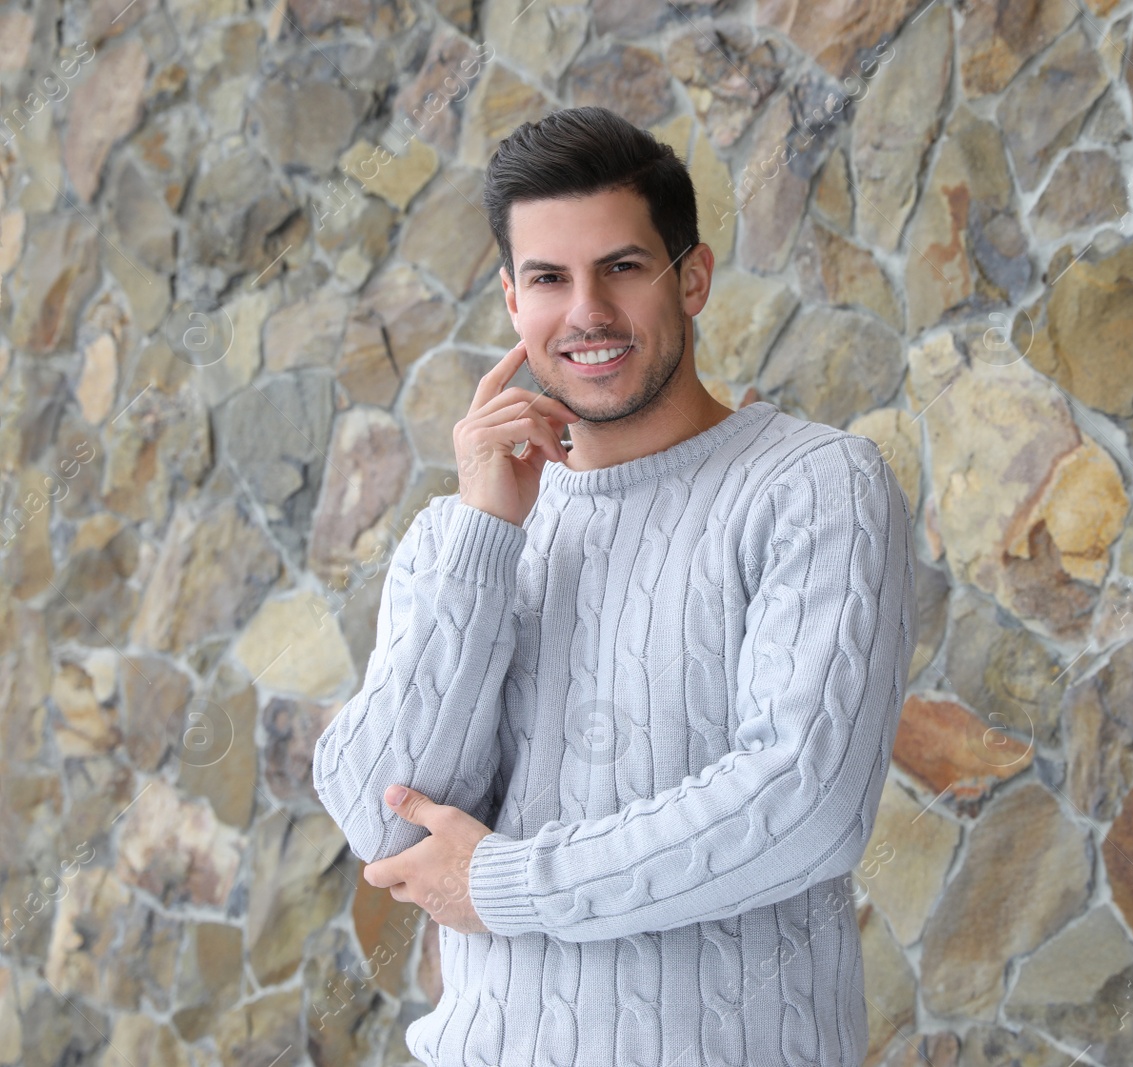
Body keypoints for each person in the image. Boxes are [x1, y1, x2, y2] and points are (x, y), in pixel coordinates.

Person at [311, 105, 917, 1067]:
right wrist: (484, 532)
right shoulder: (460, 531)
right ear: (513, 300)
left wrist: (511, 882)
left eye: (622, 268)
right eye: (549, 277)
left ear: (694, 277)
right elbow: (389, 825)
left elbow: (805, 803)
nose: (586, 310)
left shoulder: (815, 484)